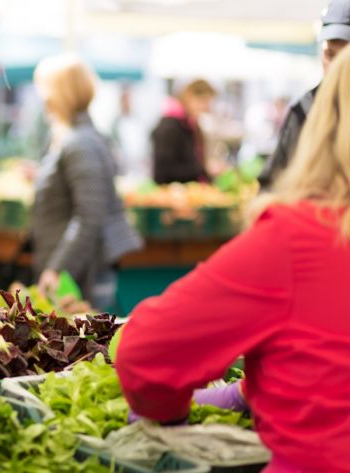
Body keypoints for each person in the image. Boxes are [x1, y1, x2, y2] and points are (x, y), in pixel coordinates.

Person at [115, 46, 350, 473]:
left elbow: (145, 354)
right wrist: (250, 391)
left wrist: (169, 411)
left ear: (324, 124)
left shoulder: (297, 239)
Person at [30, 54, 142, 310]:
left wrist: (57, 268)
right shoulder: (73, 138)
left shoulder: (79, 144)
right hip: (76, 271)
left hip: (82, 276)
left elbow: (89, 217)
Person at [258, 0, 350, 189]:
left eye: (344, 58)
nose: (335, 67)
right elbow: (272, 183)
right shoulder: (304, 109)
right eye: (330, 54)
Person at [151, 79, 216, 184]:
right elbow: (163, 172)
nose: (206, 108)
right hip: (172, 195)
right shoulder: (170, 127)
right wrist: (201, 169)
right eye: (204, 101)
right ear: (189, 97)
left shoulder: (190, 124)